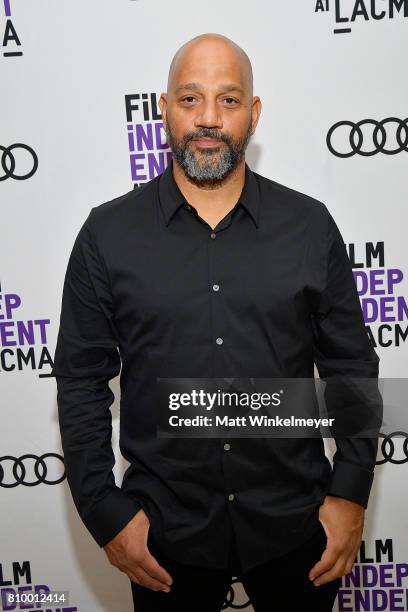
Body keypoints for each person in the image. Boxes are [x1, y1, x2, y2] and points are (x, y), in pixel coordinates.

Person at [51, 33, 381, 612]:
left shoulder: (308, 227)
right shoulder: (107, 236)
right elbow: (80, 382)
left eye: (228, 100)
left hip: (297, 527)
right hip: (163, 537)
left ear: (253, 113)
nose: (208, 118)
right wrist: (106, 512)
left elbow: (351, 365)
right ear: (163, 109)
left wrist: (350, 494)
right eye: (190, 99)